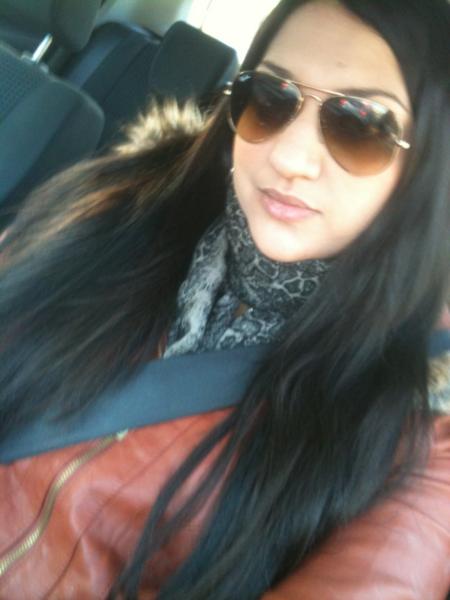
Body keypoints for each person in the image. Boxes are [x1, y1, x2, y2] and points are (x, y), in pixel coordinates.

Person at [0, 0, 449, 598]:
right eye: (270, 98)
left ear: (429, 166)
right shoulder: (114, 207)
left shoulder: (422, 433)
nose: (288, 157)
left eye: (361, 126)